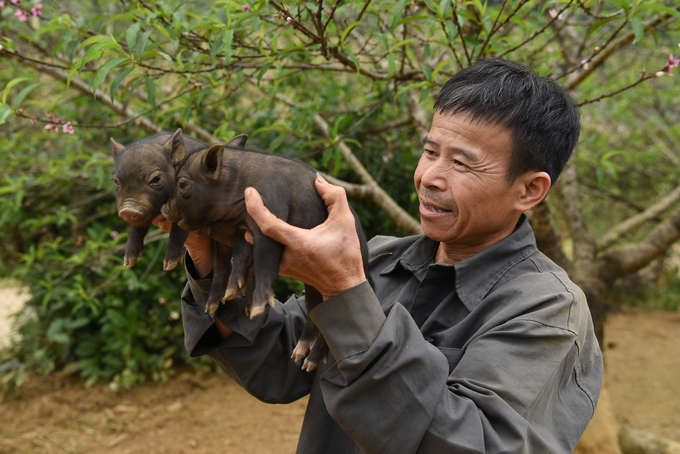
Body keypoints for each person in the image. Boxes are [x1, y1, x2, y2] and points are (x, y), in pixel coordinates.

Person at [163, 58, 603, 454]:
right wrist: (209, 259)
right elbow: (272, 365)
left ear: (529, 189)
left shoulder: (547, 311)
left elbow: (476, 444)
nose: (430, 176)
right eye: (430, 151)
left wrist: (344, 292)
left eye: (462, 164)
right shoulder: (381, 260)